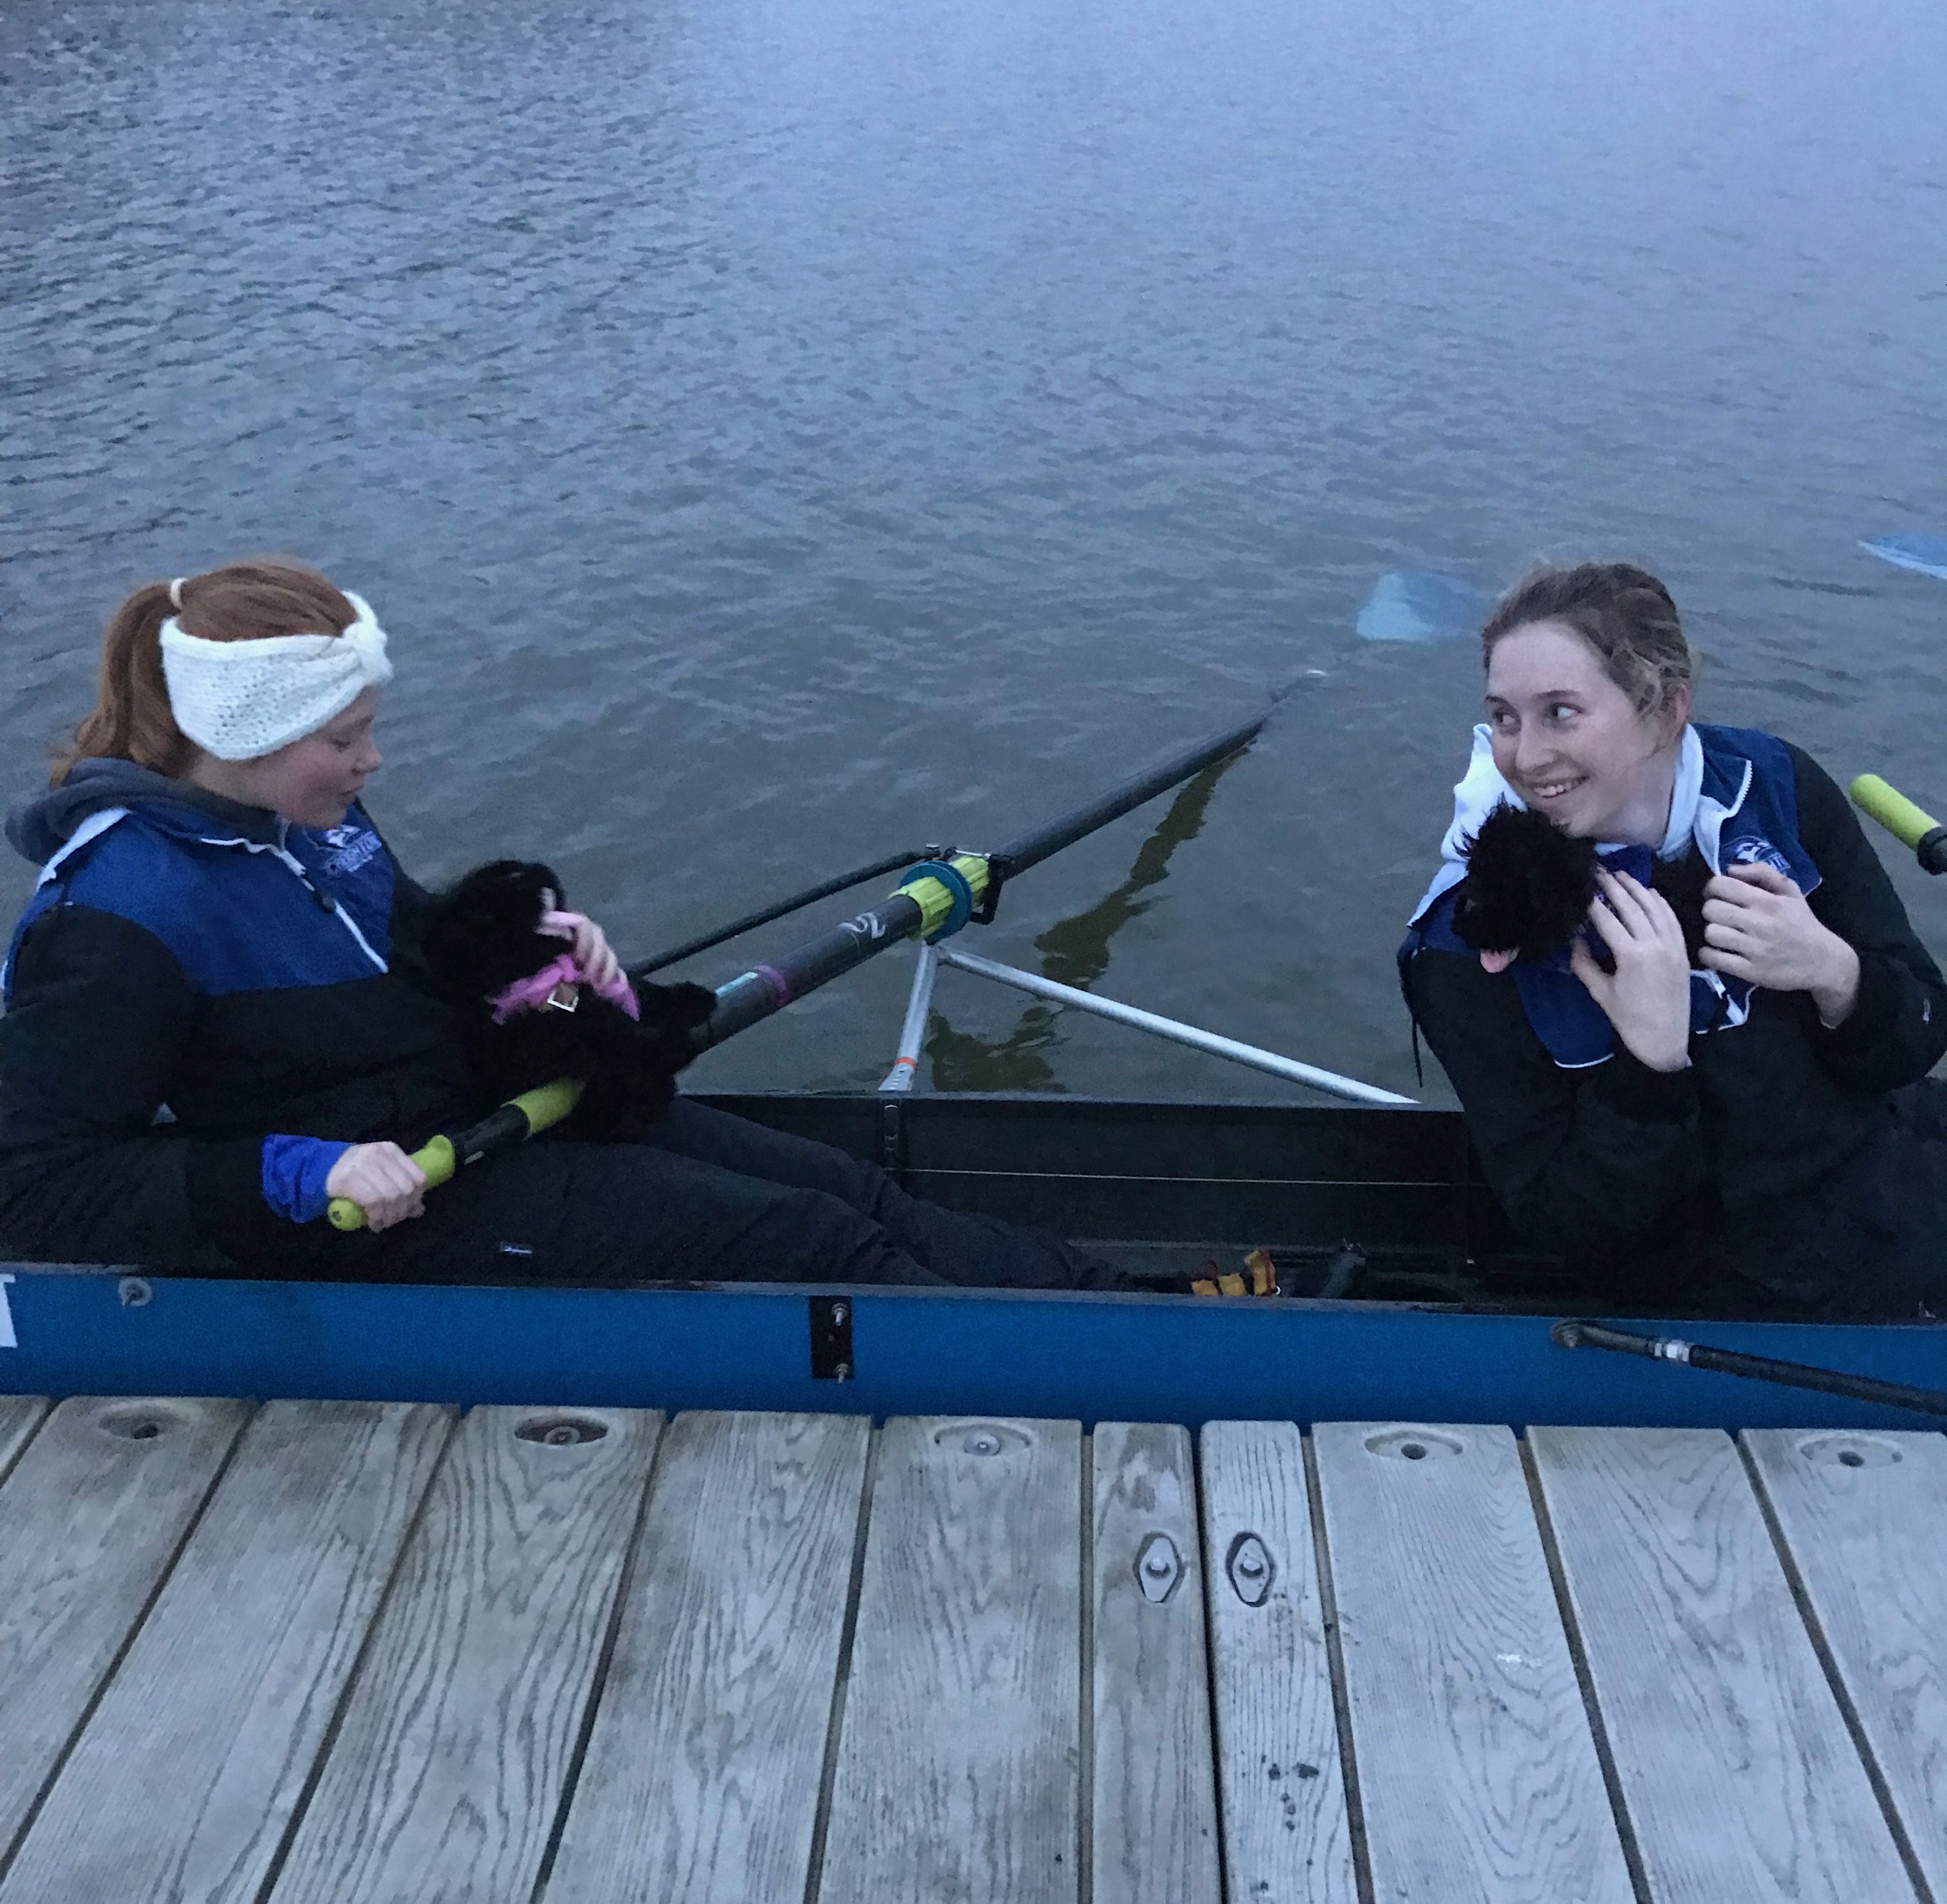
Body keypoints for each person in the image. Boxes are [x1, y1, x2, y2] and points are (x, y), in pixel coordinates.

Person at [0, 561, 1268, 1293]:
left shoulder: (303, 821)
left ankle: (1128, 1308)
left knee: (842, 1180)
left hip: (480, 1115)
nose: (373, 762)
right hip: (376, 1219)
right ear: (245, 739)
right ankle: (1093, 1370)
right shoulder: (114, 918)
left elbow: (418, 952)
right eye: (347, 741)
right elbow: (41, 1191)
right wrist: (302, 1173)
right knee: (809, 1240)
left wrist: (542, 955)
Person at [1400, 560, 1947, 1322]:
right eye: (1505, 717)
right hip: (1735, 1298)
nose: (1523, 757)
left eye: (1561, 712)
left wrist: (1837, 973)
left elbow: (1919, 1034)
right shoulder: (1472, 938)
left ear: (1666, 712)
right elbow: (1570, 1234)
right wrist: (1651, 1066)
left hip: (1893, 1201)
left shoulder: (1779, 788)